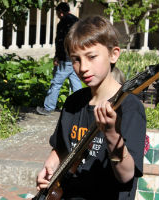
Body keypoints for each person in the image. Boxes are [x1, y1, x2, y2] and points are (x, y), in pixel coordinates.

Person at [36, 15, 146, 199]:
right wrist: (49, 168)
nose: (83, 67)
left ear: (114, 54)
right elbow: (61, 149)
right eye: (76, 59)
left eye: (92, 57)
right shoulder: (73, 103)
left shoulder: (129, 107)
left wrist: (112, 134)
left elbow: (126, 175)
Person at [36, 2, 82, 115]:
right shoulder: (78, 22)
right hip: (76, 58)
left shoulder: (63, 23)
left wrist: (58, 56)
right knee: (76, 83)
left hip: (66, 59)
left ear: (61, 12)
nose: (57, 15)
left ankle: (48, 107)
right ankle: (81, 107)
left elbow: (61, 42)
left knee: (56, 83)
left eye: (57, 13)